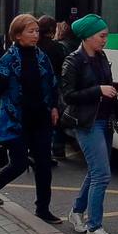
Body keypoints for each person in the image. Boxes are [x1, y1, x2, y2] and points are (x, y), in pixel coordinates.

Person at [0, 14, 62, 224]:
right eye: (30, 32)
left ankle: (43, 209)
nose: (35, 36)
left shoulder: (42, 56)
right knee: (19, 163)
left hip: (40, 119)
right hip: (16, 120)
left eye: (37, 32)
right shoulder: (8, 59)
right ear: (17, 35)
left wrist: (53, 107)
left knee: (43, 165)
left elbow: (52, 84)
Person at [60, 14, 118, 234]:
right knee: (102, 174)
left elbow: (103, 86)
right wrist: (98, 90)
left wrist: (112, 90)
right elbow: (68, 96)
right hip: (87, 123)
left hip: (105, 120)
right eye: (102, 35)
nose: (105, 40)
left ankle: (77, 212)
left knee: (96, 170)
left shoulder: (100, 56)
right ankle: (94, 229)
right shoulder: (73, 61)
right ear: (87, 36)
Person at [36, 16, 70, 163]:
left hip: (36, 86)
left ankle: (36, 150)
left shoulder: (34, 45)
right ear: (52, 29)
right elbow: (63, 67)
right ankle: (58, 149)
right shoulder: (57, 47)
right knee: (56, 117)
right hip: (53, 84)